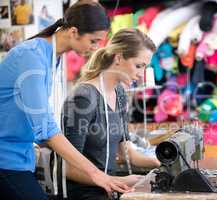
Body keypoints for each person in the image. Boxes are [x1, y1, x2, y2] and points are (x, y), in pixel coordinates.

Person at [0, 1, 131, 200]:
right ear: (73, 32)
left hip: (22, 157)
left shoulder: (54, 58)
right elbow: (45, 128)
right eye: (93, 41)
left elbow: (38, 125)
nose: (95, 48)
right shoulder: (31, 57)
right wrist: (96, 174)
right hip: (5, 158)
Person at [62, 28, 160, 200]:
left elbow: (125, 152)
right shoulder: (83, 98)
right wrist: (114, 180)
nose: (141, 74)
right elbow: (68, 168)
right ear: (119, 57)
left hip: (110, 188)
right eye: (138, 66)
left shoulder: (120, 94)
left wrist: (160, 162)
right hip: (83, 193)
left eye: (144, 67)